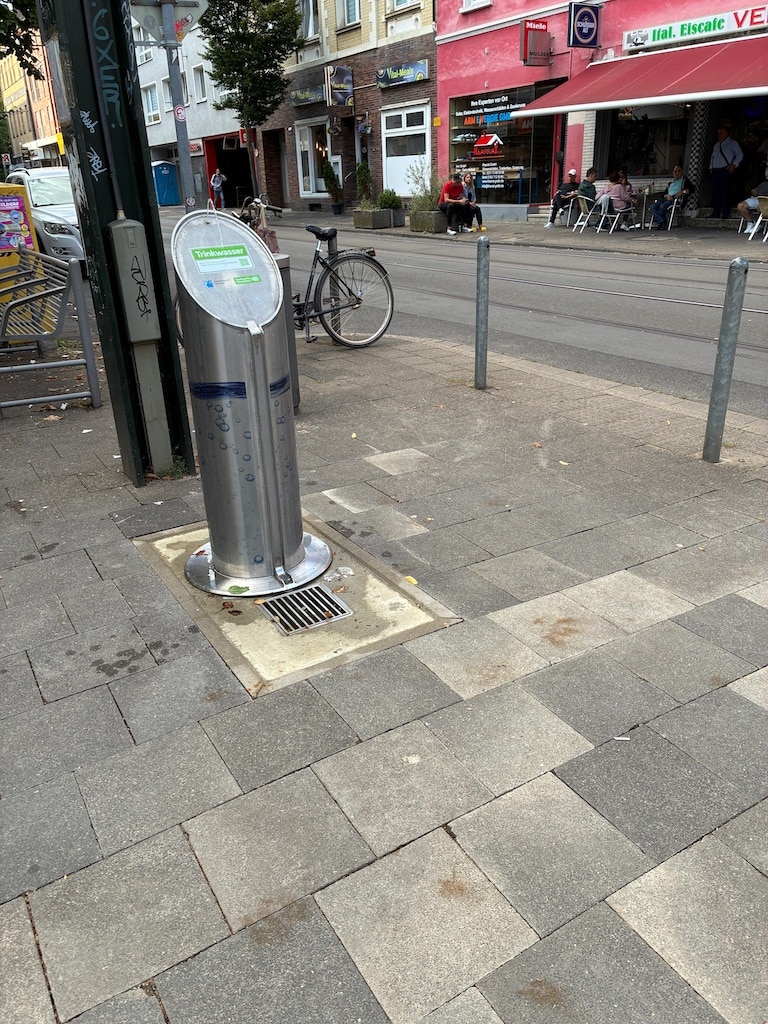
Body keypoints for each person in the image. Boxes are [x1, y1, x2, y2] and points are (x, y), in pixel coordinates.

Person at [708, 126, 743, 219]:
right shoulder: (716, 145)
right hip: (716, 171)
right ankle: (716, 212)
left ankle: (726, 213)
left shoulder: (732, 143)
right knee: (715, 192)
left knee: (725, 192)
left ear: (726, 133)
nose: (718, 135)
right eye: (718, 133)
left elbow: (740, 154)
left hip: (725, 170)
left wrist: (734, 164)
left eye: (721, 133)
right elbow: (713, 157)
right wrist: (711, 167)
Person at [736, 165, 768, 230]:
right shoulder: (763, 182)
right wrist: (756, 191)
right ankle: (750, 222)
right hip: (759, 198)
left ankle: (760, 223)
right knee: (740, 205)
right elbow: (753, 191)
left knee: (761, 207)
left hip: (764, 202)